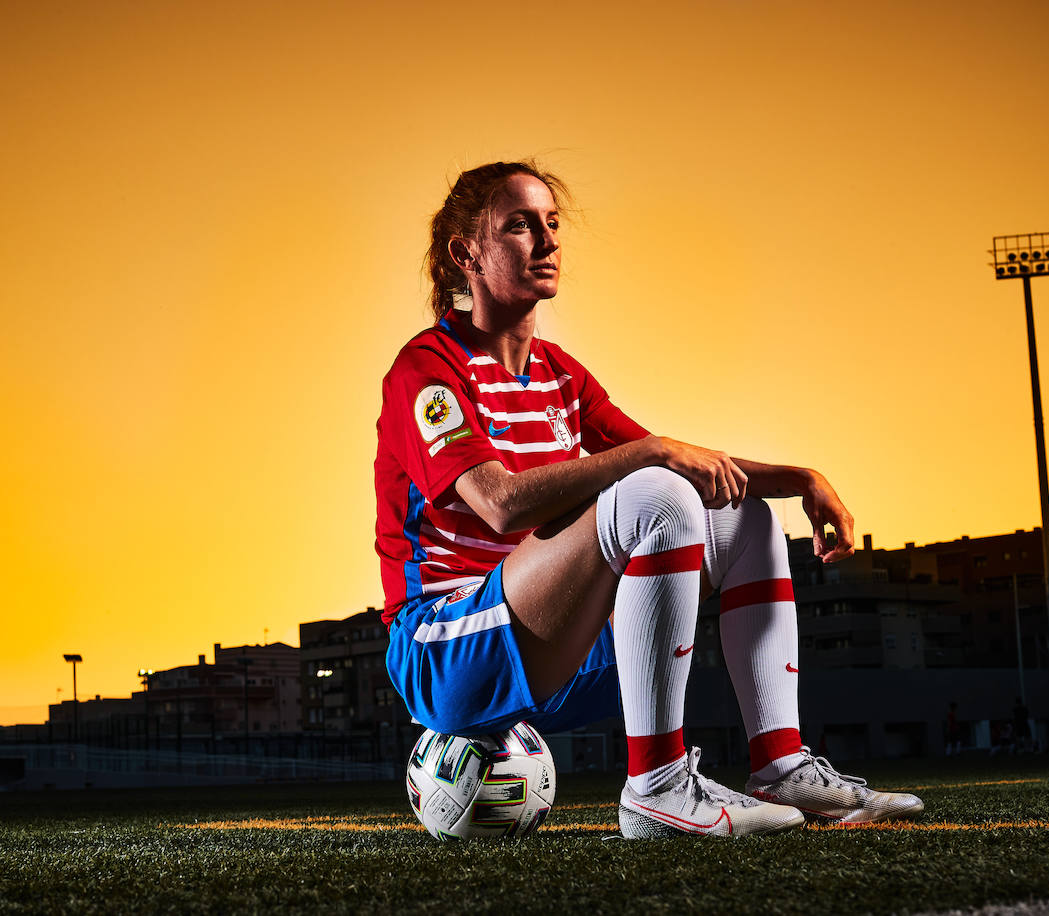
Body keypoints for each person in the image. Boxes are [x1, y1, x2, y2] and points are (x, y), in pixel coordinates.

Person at [375, 161, 924, 838]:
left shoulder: (560, 374)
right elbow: (499, 505)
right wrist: (650, 453)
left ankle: (780, 763)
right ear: (467, 254)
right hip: (446, 650)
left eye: (550, 224)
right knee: (658, 493)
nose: (546, 243)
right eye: (519, 226)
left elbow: (681, 471)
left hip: (552, 652)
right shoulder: (427, 369)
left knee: (740, 516)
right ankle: (657, 787)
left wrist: (800, 478)